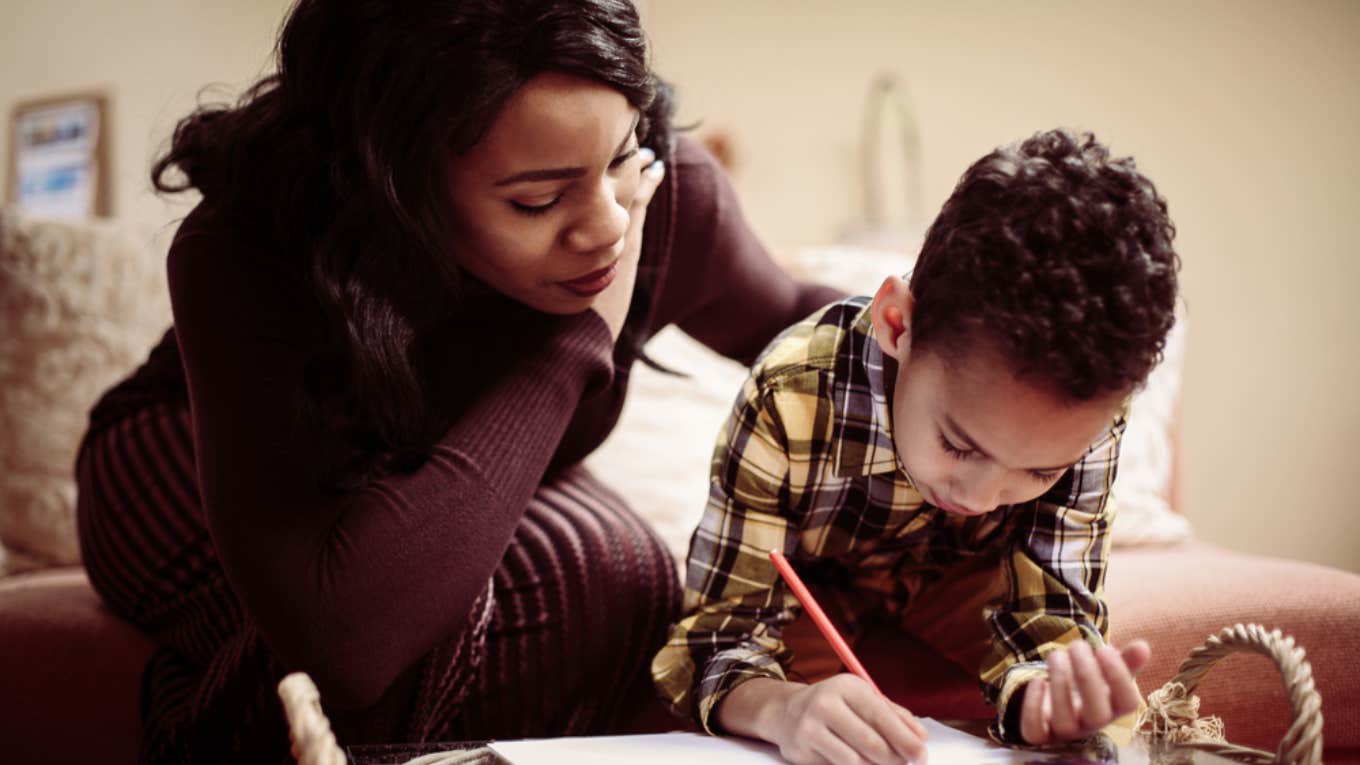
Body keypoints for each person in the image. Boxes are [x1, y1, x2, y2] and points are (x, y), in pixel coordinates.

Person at [74, 1, 841, 761]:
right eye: (537, 200)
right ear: (397, 186)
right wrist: (575, 342)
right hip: (193, 457)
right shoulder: (246, 252)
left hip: (434, 475)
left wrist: (930, 334)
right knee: (420, 610)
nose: (608, 224)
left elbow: (799, 326)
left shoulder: (657, 195)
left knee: (619, 575)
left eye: (619, 155)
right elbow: (348, 642)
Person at [652, 128, 1180, 765]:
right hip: (814, 593)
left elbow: (1051, 613)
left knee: (1111, 720)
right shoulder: (791, 392)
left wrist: (1045, 702)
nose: (982, 498)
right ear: (896, 323)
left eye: (1040, 471)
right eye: (959, 445)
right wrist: (782, 706)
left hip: (968, 581)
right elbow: (719, 632)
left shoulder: (1089, 412)